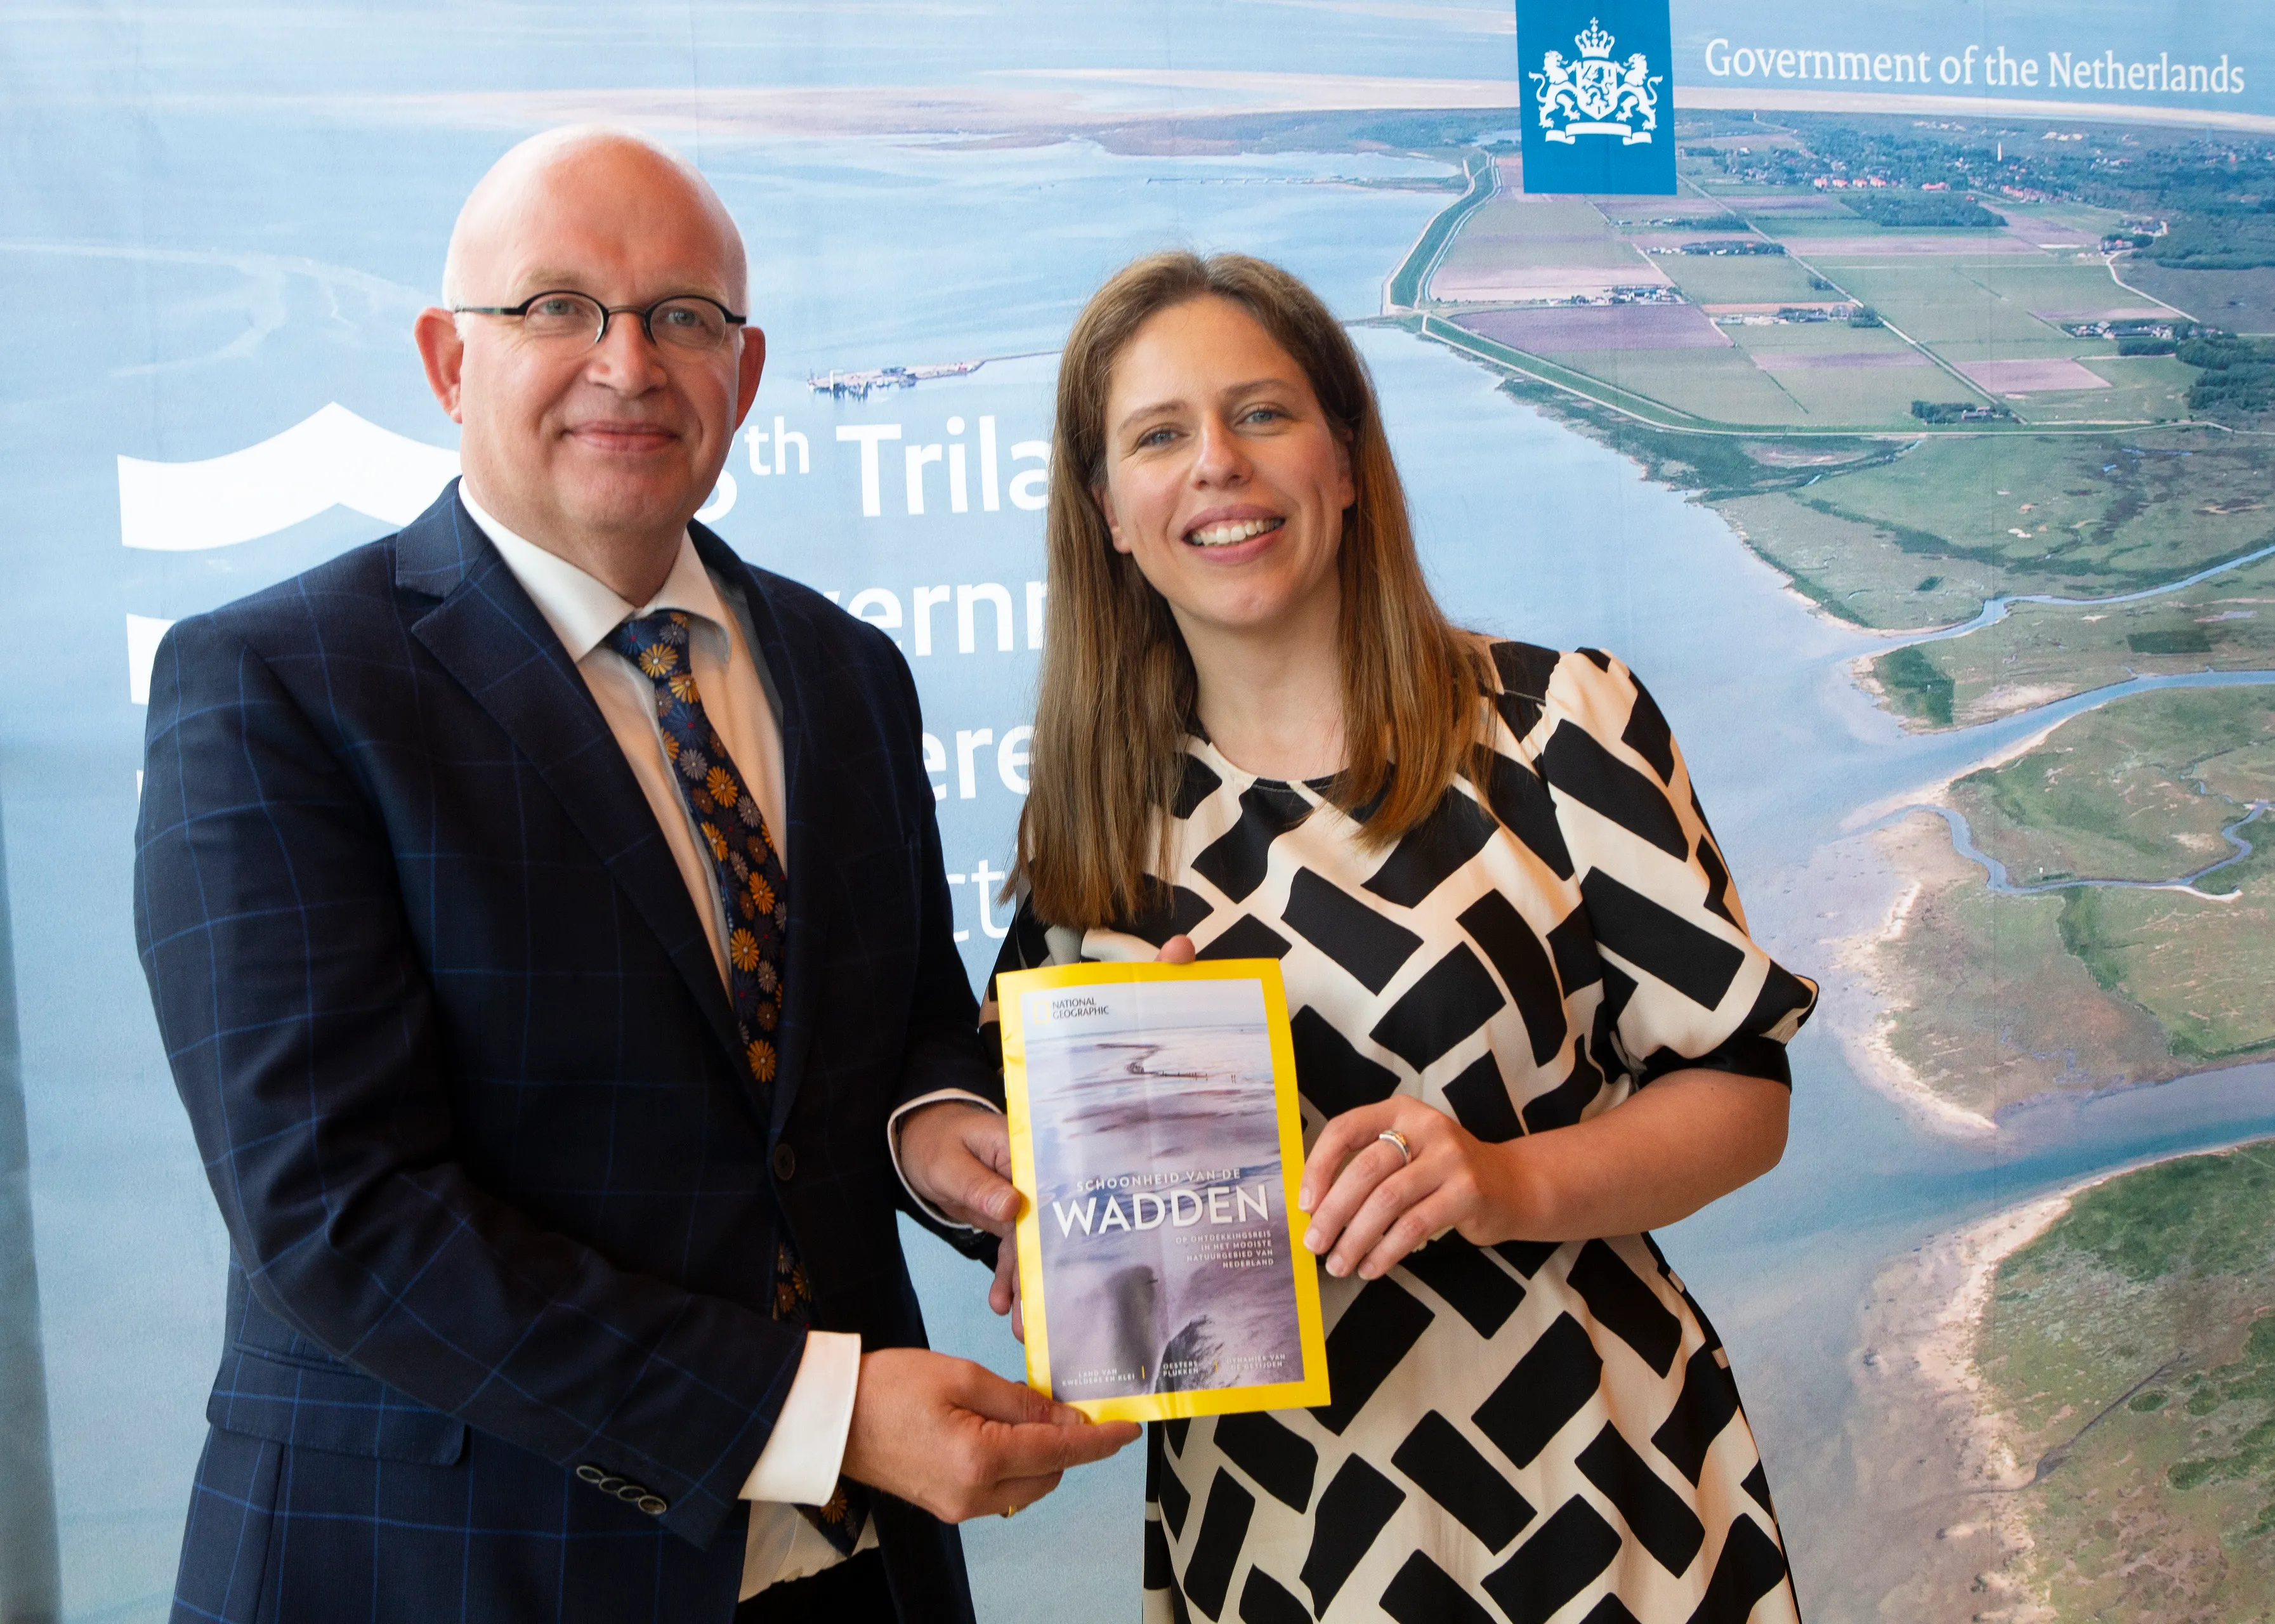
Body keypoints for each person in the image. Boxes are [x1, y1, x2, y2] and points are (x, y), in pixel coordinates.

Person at [131, 126, 1132, 1624]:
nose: (627, 361)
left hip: (854, 1570)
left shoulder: (847, 673)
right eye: (556, 308)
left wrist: (942, 1122)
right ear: (446, 359)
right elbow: (338, 1212)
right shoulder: (275, 684)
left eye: (682, 316)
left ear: (744, 364)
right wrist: (828, 1413)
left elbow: (897, 1021)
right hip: (450, 1567)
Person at [970, 251, 1821, 1622]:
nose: (1215, 467)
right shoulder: (1094, 830)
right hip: (1270, 1533)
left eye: (1261, 414)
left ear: (1347, 458)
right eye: (1159, 435)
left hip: (1592, 1502)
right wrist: (1059, 1244)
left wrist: (1498, 1180)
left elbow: (1742, 1097)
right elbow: (1038, 1190)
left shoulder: (1560, 727)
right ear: (1106, 512)